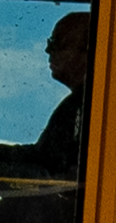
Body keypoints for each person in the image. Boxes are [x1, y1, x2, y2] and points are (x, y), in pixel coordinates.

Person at [32, 9, 92, 168]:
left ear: (88, 50)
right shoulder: (80, 102)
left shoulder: (88, 104)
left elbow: (45, 161)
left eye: (57, 43)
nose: (48, 51)